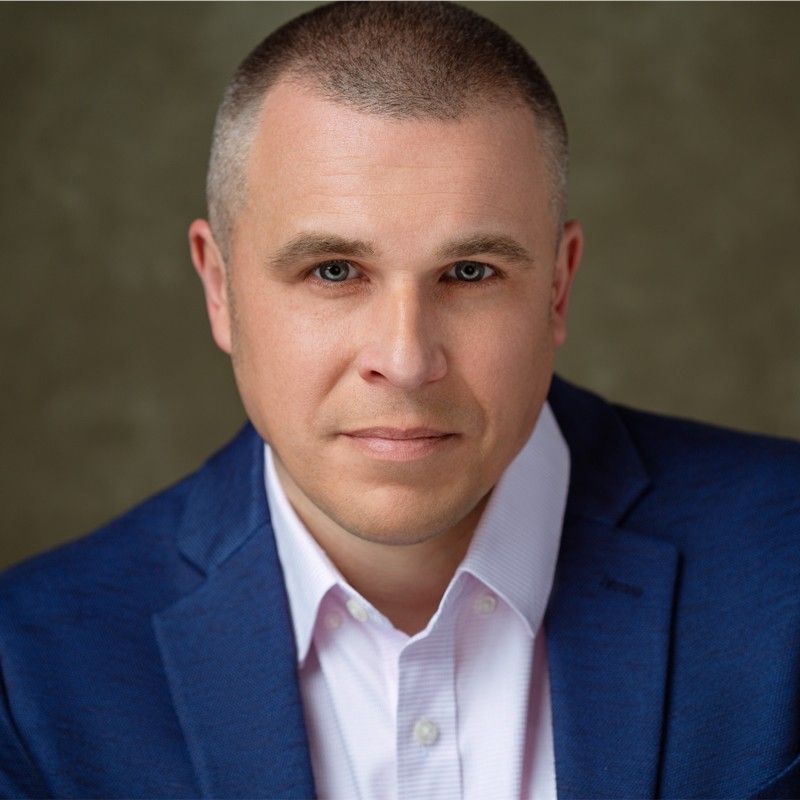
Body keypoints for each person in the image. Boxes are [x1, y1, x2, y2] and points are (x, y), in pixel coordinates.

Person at [1, 2, 798, 798]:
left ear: (557, 286)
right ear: (219, 287)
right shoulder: (31, 673)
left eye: (472, 272)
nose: (407, 360)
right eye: (334, 271)